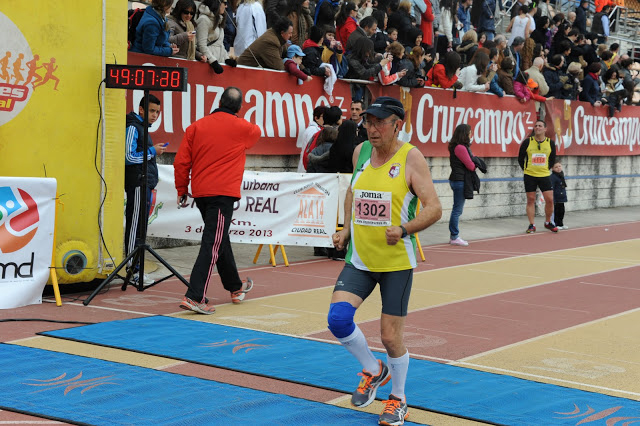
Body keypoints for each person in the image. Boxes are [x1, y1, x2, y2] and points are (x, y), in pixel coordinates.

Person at [329, 96, 442, 426]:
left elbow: (434, 208)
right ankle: (372, 369)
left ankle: (399, 398)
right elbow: (353, 191)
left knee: (390, 337)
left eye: (379, 122)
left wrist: (405, 229)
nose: (372, 128)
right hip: (360, 259)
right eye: (368, 121)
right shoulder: (360, 152)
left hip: (395, 263)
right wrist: (346, 229)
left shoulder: (411, 158)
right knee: (337, 320)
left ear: (398, 125)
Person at [174, 87, 261, 314]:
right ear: (240, 107)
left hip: (201, 192)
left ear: (219, 101)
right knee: (213, 243)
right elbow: (256, 132)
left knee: (219, 239)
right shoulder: (244, 127)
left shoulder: (196, 126)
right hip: (223, 193)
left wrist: (181, 188)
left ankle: (235, 286)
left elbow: (181, 162)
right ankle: (195, 296)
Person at [125, 94, 167, 286]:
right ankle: (132, 271)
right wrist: (152, 152)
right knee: (135, 227)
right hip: (137, 184)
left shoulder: (143, 129)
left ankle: (138, 270)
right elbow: (128, 157)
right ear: (141, 110)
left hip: (145, 184)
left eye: (157, 112)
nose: (155, 115)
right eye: (152, 111)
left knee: (141, 227)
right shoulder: (133, 127)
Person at [518, 120, 558, 234]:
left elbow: (552, 158)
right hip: (530, 175)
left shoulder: (550, 143)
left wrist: (547, 168)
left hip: (544, 175)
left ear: (545, 129)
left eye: (540, 126)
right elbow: (521, 158)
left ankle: (548, 222)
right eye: (535, 126)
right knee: (530, 199)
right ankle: (532, 224)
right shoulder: (527, 142)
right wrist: (526, 169)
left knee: (550, 200)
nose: (537, 127)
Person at [448, 123, 477, 246]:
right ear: (465, 134)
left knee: (457, 209)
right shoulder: (460, 148)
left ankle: (454, 236)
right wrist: (475, 163)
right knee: (457, 210)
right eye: (470, 132)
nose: (472, 135)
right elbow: (470, 165)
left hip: (457, 179)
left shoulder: (459, 146)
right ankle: (454, 236)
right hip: (459, 180)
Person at [196, 0, 236, 74]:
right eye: (225, 3)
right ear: (218, 3)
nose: (226, 6)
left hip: (218, 63)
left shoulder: (219, 19)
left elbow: (220, 44)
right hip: (207, 65)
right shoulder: (203, 20)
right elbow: (201, 45)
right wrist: (213, 62)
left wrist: (226, 58)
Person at [296, 105, 326, 172]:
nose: (326, 119)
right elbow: (312, 150)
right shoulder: (313, 130)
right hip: (307, 169)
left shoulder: (318, 129)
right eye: (324, 116)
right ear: (316, 118)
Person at [550, 161, 568, 229]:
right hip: (556, 197)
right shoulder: (553, 177)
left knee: (562, 211)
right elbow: (552, 188)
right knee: (556, 211)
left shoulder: (561, 175)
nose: (558, 168)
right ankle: (556, 224)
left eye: (559, 166)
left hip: (561, 197)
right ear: (552, 168)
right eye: (556, 167)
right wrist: (553, 199)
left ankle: (561, 223)